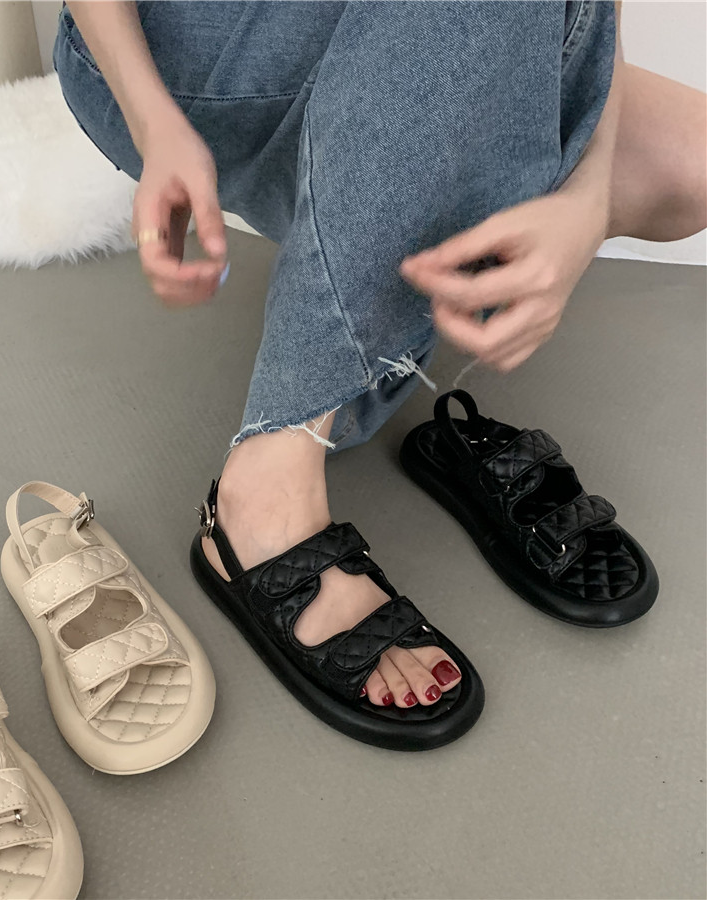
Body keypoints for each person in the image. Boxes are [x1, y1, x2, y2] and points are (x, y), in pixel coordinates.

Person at [54, 1, 705, 727]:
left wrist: (588, 199)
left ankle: (380, 252)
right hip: (183, 51)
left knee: (691, 161)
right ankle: (268, 478)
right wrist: (154, 125)